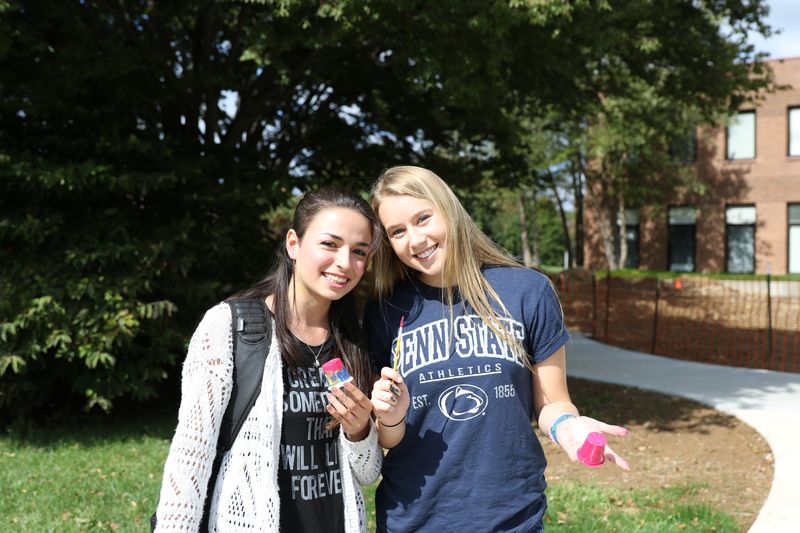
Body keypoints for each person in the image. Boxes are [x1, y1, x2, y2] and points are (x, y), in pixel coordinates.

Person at [366, 166, 630, 533]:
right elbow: (387, 435)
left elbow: (552, 402)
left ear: (449, 210)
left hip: (510, 515)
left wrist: (569, 427)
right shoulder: (386, 310)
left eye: (423, 218)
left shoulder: (527, 291)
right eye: (398, 231)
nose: (415, 239)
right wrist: (390, 416)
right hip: (415, 516)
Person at [154, 188, 383, 532]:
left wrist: (359, 429)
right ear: (294, 243)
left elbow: (367, 473)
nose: (345, 263)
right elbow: (190, 459)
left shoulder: (352, 341)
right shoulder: (230, 326)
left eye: (359, 251)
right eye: (330, 244)